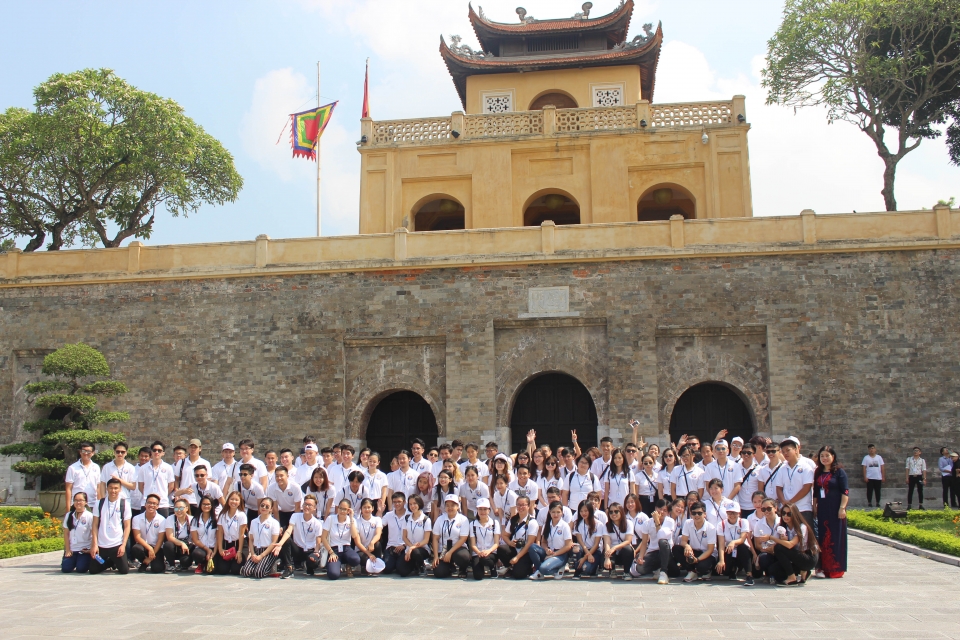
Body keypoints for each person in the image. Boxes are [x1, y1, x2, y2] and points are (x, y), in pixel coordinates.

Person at [814, 445, 848, 579]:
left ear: (833, 457)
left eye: (827, 455)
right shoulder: (818, 472)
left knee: (835, 537)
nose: (824, 458)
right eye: (822, 456)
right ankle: (823, 567)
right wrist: (814, 506)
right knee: (822, 536)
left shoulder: (839, 472)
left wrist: (842, 508)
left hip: (835, 509)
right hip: (822, 509)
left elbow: (845, 491)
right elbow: (816, 492)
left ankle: (835, 568)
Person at [629, 498, 680, 584]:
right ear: (655, 509)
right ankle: (659, 570)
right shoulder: (647, 523)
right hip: (653, 552)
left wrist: (657, 521)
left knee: (675, 572)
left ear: (668, 512)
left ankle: (663, 572)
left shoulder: (670, 521)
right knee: (639, 568)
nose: (662, 512)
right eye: (660, 509)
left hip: (666, 552)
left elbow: (661, 537)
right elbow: (644, 542)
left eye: (665, 510)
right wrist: (641, 557)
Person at [769, 503, 819, 585]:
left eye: (789, 514)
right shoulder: (782, 527)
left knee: (779, 547)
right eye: (784, 513)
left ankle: (792, 577)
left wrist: (772, 538)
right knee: (773, 570)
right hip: (796, 556)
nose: (786, 516)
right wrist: (781, 539)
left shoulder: (802, 527)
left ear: (795, 515)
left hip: (808, 557)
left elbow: (790, 544)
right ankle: (803, 572)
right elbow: (775, 547)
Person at [89, 478, 131, 575]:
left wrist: (123, 545)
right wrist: (94, 544)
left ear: (120, 489)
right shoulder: (99, 503)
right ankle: (107, 563)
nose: (113, 491)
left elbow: (127, 526)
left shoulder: (124, 504)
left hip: (116, 544)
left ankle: (114, 560)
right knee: (93, 570)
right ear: (107, 489)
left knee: (124, 570)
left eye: (116, 488)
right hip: (101, 544)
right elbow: (94, 525)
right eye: (111, 488)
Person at [497, 496, 542, 579]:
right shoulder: (513, 519)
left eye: (523, 505)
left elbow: (530, 543)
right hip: (515, 549)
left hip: (526, 552)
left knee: (518, 575)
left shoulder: (532, 522)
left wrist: (517, 558)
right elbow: (504, 535)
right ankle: (509, 567)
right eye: (518, 505)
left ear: (528, 506)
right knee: (501, 549)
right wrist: (510, 542)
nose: (520, 507)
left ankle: (527, 568)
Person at [673, 500, 718, 583]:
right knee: (676, 549)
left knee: (702, 567)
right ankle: (692, 571)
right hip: (694, 551)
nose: (696, 515)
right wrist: (687, 546)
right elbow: (683, 541)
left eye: (699, 513)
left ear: (705, 514)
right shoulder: (687, 523)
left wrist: (697, 560)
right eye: (694, 513)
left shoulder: (711, 528)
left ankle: (707, 571)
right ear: (691, 514)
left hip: (707, 554)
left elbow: (710, 549)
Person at [774, 439, 815, 527]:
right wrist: (784, 502)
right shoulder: (782, 468)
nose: (785, 453)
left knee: (805, 536)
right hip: (786, 510)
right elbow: (779, 488)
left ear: (796, 450)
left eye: (788, 450)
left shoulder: (806, 467)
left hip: (802, 508)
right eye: (783, 451)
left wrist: (791, 502)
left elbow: (806, 488)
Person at [530, 501, 575, 580]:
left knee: (544, 569)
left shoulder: (565, 526)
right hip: (549, 552)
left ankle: (558, 568)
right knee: (533, 547)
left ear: (562, 513)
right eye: (553, 512)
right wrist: (547, 549)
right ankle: (538, 571)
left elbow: (568, 545)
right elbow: (543, 542)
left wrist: (554, 554)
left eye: (558, 512)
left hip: (560, 554)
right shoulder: (547, 525)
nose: (556, 514)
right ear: (549, 512)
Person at [432, 494, 471, 578]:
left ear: (457, 506)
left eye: (452, 505)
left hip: (457, 549)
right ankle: (450, 567)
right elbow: (435, 538)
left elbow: (463, 538)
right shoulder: (440, 519)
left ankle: (462, 569)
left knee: (463, 557)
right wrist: (435, 556)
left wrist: (450, 552)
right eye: (447, 506)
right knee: (439, 573)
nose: (450, 508)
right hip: (443, 550)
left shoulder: (463, 519)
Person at [241, 497, 282, 578]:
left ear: (271, 509)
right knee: (246, 572)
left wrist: (261, 556)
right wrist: (252, 553)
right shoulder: (254, 521)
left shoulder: (274, 523)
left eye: (267, 506)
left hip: (267, 551)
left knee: (258, 574)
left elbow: (274, 542)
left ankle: (271, 566)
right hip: (256, 550)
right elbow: (251, 539)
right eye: (262, 505)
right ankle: (258, 566)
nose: (264, 508)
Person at [322, 499, 361, 580]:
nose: (342, 511)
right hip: (334, 549)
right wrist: (331, 552)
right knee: (333, 575)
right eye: (340, 508)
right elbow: (323, 537)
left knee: (356, 559)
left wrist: (351, 518)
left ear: (349, 510)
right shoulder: (331, 518)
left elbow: (354, 536)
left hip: (346, 548)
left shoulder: (352, 520)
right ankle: (336, 565)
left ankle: (348, 565)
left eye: (345, 509)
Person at [716, 502, 753, 584]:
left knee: (742, 547)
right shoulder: (721, 524)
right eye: (729, 512)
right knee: (723, 571)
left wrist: (733, 542)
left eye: (734, 513)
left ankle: (749, 575)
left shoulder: (743, 522)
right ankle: (733, 570)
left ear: (739, 513)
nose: (732, 515)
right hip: (729, 550)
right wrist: (721, 561)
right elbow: (721, 545)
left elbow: (742, 539)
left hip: (742, 551)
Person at [396, 494, 432, 577]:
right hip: (409, 549)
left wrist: (412, 548)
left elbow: (426, 540)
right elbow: (404, 537)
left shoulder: (426, 519)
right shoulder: (406, 518)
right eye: (410, 504)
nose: (412, 506)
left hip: (421, 549)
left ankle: (421, 566)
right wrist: (410, 547)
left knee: (416, 552)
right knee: (402, 571)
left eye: (415, 503)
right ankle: (414, 565)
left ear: (419, 503)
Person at [137, 441, 176, 517]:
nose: (156, 452)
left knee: (163, 527)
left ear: (163, 453)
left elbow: (171, 486)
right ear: (151, 452)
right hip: (146, 503)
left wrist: (163, 495)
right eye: (154, 450)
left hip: (162, 503)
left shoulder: (168, 468)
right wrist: (148, 496)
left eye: (159, 450)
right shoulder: (143, 468)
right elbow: (140, 486)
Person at [130, 494, 167, 573]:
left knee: (157, 569)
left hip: (156, 548)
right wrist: (149, 548)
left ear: (157, 506)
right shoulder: (136, 518)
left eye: (154, 504)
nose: (151, 505)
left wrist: (152, 552)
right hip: (143, 546)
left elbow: (160, 540)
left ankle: (148, 562)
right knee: (136, 549)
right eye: (149, 503)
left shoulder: (162, 519)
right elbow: (137, 537)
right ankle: (144, 562)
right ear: (145, 504)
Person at [751, 498, 785, 584]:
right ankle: (769, 574)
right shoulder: (758, 524)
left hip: (780, 551)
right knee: (763, 558)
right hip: (767, 551)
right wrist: (766, 549)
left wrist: (774, 547)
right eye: (763, 509)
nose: (766, 511)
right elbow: (757, 544)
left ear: (775, 508)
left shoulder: (782, 521)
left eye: (769, 508)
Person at [173, 439, 210, 513]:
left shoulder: (205, 463)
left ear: (200, 448)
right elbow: (176, 480)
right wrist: (178, 493)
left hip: (199, 499)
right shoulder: (181, 462)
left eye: (195, 447)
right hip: (184, 499)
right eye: (191, 447)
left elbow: (208, 481)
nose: (193, 449)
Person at [214, 490, 247, 575]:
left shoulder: (242, 515)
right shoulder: (223, 515)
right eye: (232, 499)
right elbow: (220, 532)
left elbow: (241, 534)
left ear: (240, 502)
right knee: (222, 570)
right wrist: (220, 548)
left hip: (238, 544)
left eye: (236, 500)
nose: (234, 502)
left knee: (235, 570)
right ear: (228, 500)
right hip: (227, 545)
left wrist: (239, 552)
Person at [468, 498, 501, 580]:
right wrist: (479, 552)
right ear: (477, 510)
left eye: (485, 509)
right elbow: (473, 544)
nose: (482, 512)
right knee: (477, 576)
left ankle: (492, 568)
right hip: (477, 553)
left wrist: (488, 551)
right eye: (480, 509)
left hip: (491, 553)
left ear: (489, 510)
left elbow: (496, 543)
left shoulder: (494, 523)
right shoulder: (472, 524)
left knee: (485, 559)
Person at [61, 492, 93, 573]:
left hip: (84, 549)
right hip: (72, 549)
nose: (78, 502)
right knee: (66, 569)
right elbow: (66, 533)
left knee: (81, 569)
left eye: (81, 500)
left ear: (86, 502)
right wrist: (68, 550)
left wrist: (91, 549)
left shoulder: (89, 516)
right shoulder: (69, 515)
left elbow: (94, 534)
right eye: (76, 500)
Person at [571, 501, 602, 579]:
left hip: (595, 550)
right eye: (581, 511)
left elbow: (596, 544)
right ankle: (577, 571)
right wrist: (587, 555)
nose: (583, 513)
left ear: (590, 511)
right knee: (577, 548)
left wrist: (584, 558)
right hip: (583, 549)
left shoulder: (598, 524)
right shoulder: (577, 524)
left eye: (586, 511)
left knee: (587, 569)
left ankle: (593, 568)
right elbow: (580, 541)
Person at [602, 502, 633, 578]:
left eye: (616, 511)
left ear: (621, 512)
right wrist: (607, 558)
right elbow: (607, 542)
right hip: (612, 552)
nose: (613, 514)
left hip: (622, 551)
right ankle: (612, 570)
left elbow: (628, 541)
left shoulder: (628, 523)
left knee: (628, 549)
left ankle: (626, 572)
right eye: (611, 512)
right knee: (607, 551)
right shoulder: (606, 525)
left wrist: (615, 547)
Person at [162, 498, 193, 572]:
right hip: (175, 544)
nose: (178, 510)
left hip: (187, 546)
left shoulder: (192, 519)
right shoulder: (170, 518)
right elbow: (170, 537)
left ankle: (184, 564)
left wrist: (186, 544)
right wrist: (181, 543)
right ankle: (171, 565)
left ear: (186, 508)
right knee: (167, 545)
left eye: (181, 508)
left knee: (185, 562)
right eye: (176, 508)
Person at [189, 496, 218, 574]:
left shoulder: (216, 519)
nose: (206, 506)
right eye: (204, 504)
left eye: (208, 504)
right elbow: (195, 540)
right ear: (200, 505)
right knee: (197, 554)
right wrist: (207, 549)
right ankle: (201, 564)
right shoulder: (195, 520)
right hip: (201, 547)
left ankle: (208, 562)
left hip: (214, 548)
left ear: (212, 506)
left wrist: (213, 551)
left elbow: (219, 537)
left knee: (214, 570)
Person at [65, 441, 101, 506]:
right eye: (84, 451)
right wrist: (68, 509)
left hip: (93, 504)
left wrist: (99, 506)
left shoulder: (96, 467)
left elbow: (98, 487)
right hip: (76, 504)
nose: (86, 453)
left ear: (93, 453)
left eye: (89, 451)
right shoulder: (72, 468)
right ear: (80, 452)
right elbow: (68, 489)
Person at [267, 465, 302, 530]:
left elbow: (297, 507)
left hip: (294, 512)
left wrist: (295, 524)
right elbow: (275, 508)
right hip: (281, 512)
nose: (279, 478)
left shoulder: (295, 487)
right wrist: (278, 525)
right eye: (277, 476)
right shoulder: (271, 488)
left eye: (281, 475)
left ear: (287, 476)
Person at [381, 493, 408, 575]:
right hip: (391, 547)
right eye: (394, 502)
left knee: (402, 571)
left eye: (399, 502)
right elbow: (378, 525)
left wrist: (404, 545)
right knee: (387, 569)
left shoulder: (410, 515)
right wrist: (379, 511)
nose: (397, 504)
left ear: (404, 502)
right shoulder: (389, 515)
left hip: (405, 547)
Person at [354, 498, 383, 572]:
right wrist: (369, 554)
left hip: (372, 548)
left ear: (373, 508)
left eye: (369, 507)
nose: (367, 509)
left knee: (378, 544)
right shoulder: (356, 522)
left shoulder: (377, 520)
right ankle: (365, 567)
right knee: (364, 559)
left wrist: (372, 543)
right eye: (364, 507)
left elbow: (378, 534)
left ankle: (376, 565)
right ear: (361, 509)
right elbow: (357, 542)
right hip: (362, 550)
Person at [735, 444, 761, 518]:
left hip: (754, 506)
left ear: (754, 455)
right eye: (744, 452)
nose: (746, 454)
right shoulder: (736, 467)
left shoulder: (759, 469)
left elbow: (760, 489)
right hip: (739, 505)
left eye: (749, 453)